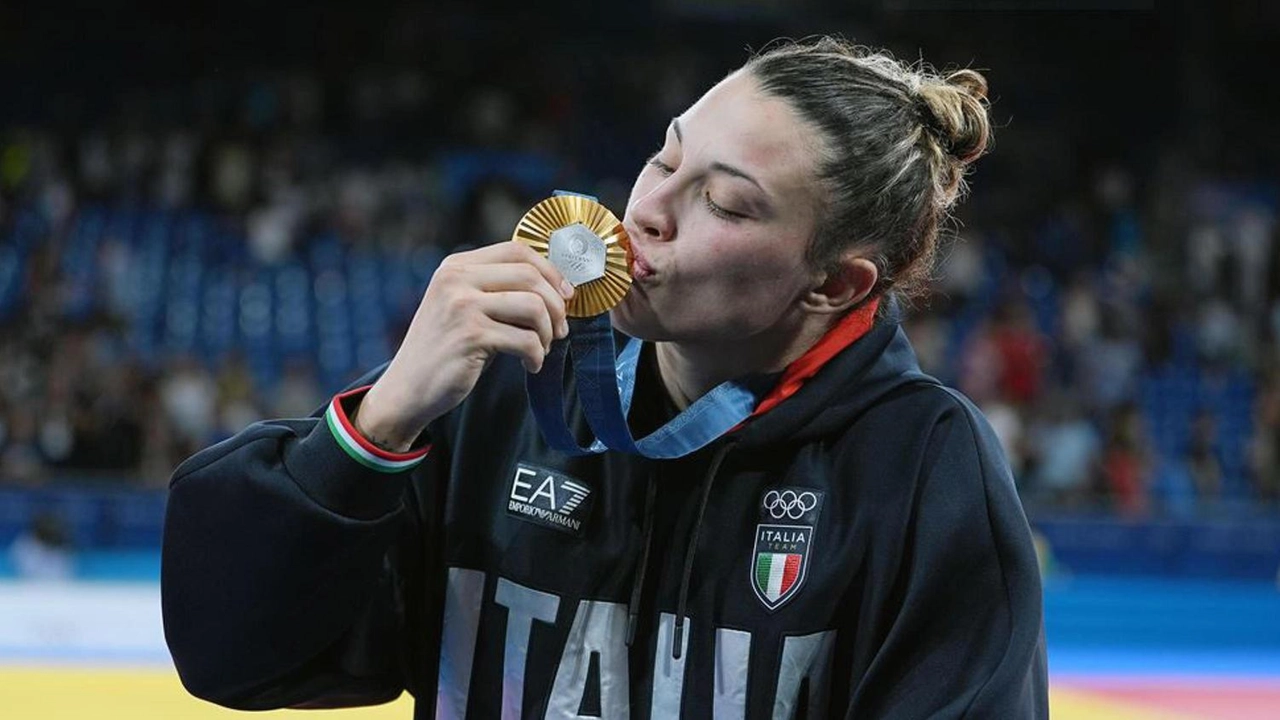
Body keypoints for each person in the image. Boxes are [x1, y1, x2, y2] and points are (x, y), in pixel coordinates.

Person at [163, 37, 1048, 718]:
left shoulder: (922, 473)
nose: (649, 210)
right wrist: (378, 423)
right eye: (666, 158)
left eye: (727, 202)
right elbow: (232, 655)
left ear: (835, 283)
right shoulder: (501, 385)